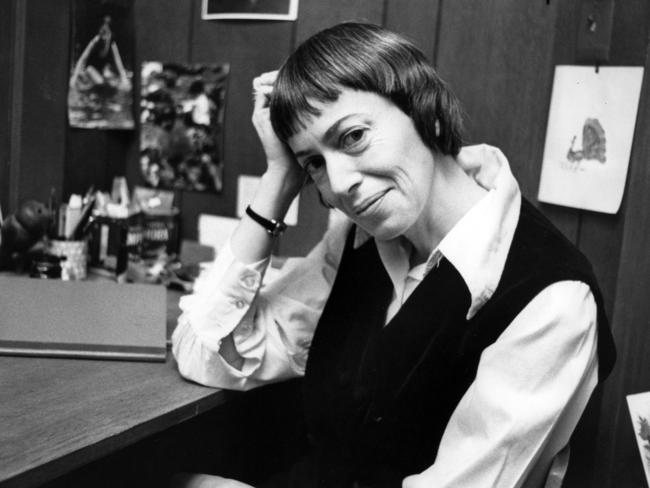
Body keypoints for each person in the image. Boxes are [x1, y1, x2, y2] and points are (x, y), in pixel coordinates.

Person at [172, 22, 615, 488]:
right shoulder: (360, 239)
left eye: (353, 137)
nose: (339, 184)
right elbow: (207, 350)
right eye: (315, 164)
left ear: (429, 114)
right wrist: (280, 179)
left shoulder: (553, 299)